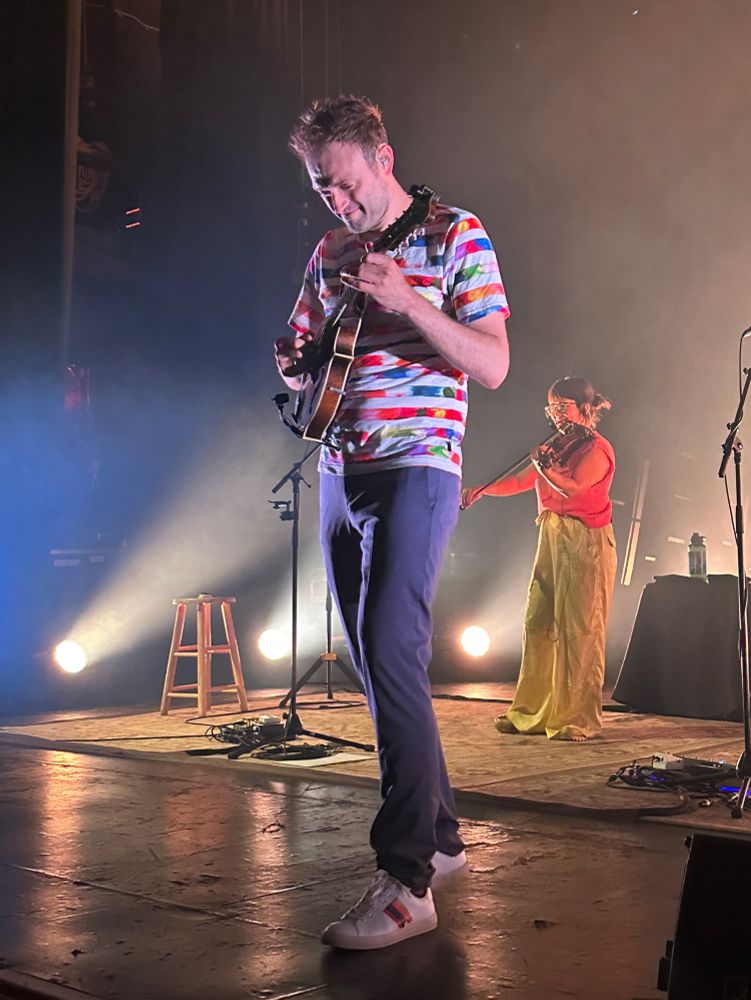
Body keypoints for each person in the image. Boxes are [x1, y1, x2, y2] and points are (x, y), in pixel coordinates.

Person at [274, 95, 510, 950]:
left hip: (418, 465)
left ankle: (406, 880)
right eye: (319, 190)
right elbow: (303, 355)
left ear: (383, 157)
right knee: (376, 662)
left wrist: (410, 302)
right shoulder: (331, 249)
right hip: (341, 465)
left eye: (341, 184)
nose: (335, 203)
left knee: (393, 646)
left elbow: (490, 364)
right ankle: (440, 838)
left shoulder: (456, 235)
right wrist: (295, 367)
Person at [462, 376, 616, 742]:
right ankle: (531, 711)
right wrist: (481, 491)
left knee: (579, 630)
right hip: (552, 535)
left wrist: (544, 465)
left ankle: (577, 718)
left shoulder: (597, 448)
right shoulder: (557, 445)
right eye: (553, 407)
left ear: (586, 410)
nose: (556, 414)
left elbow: (573, 485)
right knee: (538, 622)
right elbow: (520, 481)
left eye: (564, 407)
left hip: (585, 539)